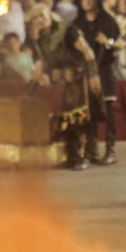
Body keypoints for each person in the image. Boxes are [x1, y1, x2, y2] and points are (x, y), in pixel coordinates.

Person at [38, 9, 100, 170]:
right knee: (65, 119)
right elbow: (48, 62)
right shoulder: (43, 39)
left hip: (81, 79)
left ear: (51, 17)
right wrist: (48, 74)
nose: (39, 20)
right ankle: (72, 155)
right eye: (35, 17)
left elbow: (87, 51)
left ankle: (85, 155)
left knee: (82, 117)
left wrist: (93, 75)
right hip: (63, 82)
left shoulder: (68, 32)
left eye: (42, 16)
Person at [74, 0, 122, 165]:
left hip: (104, 69)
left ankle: (110, 149)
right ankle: (90, 149)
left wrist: (107, 42)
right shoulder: (78, 23)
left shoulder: (107, 21)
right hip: (86, 70)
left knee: (107, 110)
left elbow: (120, 43)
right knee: (89, 111)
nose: (85, 1)